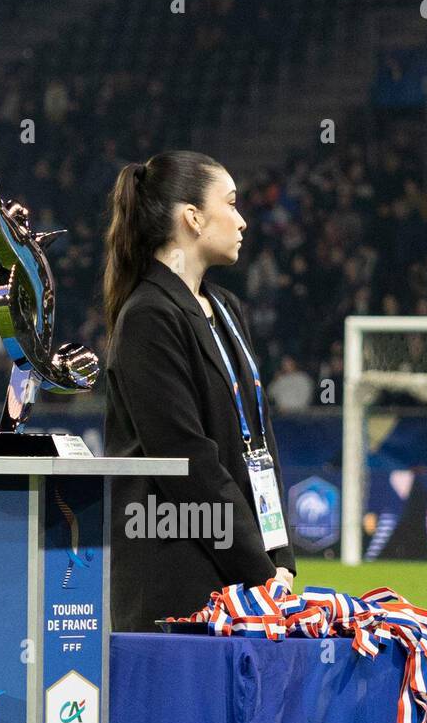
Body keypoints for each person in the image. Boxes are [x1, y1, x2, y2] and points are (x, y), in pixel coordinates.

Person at [102, 150, 296, 631]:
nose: (242, 220)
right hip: (176, 573)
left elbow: (259, 441)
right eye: (231, 204)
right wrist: (260, 568)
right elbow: (187, 461)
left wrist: (280, 553)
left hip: (238, 569)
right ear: (192, 217)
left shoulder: (225, 307)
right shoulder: (149, 315)